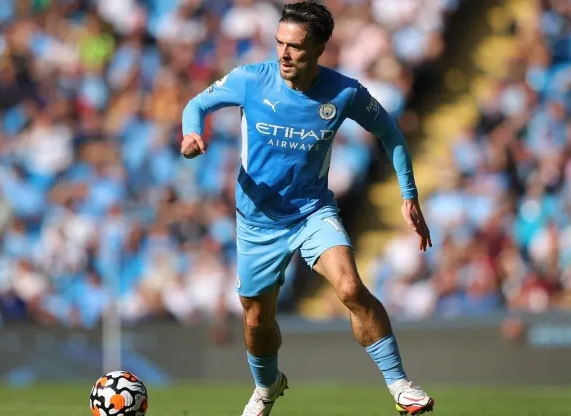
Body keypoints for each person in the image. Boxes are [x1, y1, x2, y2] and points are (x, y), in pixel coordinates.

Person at [180, 1, 434, 415]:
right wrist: (192, 134)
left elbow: (391, 133)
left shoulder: (344, 92)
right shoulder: (250, 80)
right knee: (257, 321)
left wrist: (409, 195)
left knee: (350, 288)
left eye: (295, 47)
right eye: (279, 43)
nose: (283, 53)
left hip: (312, 212)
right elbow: (197, 105)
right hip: (257, 222)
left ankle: (400, 385)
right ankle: (267, 387)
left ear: (319, 49)